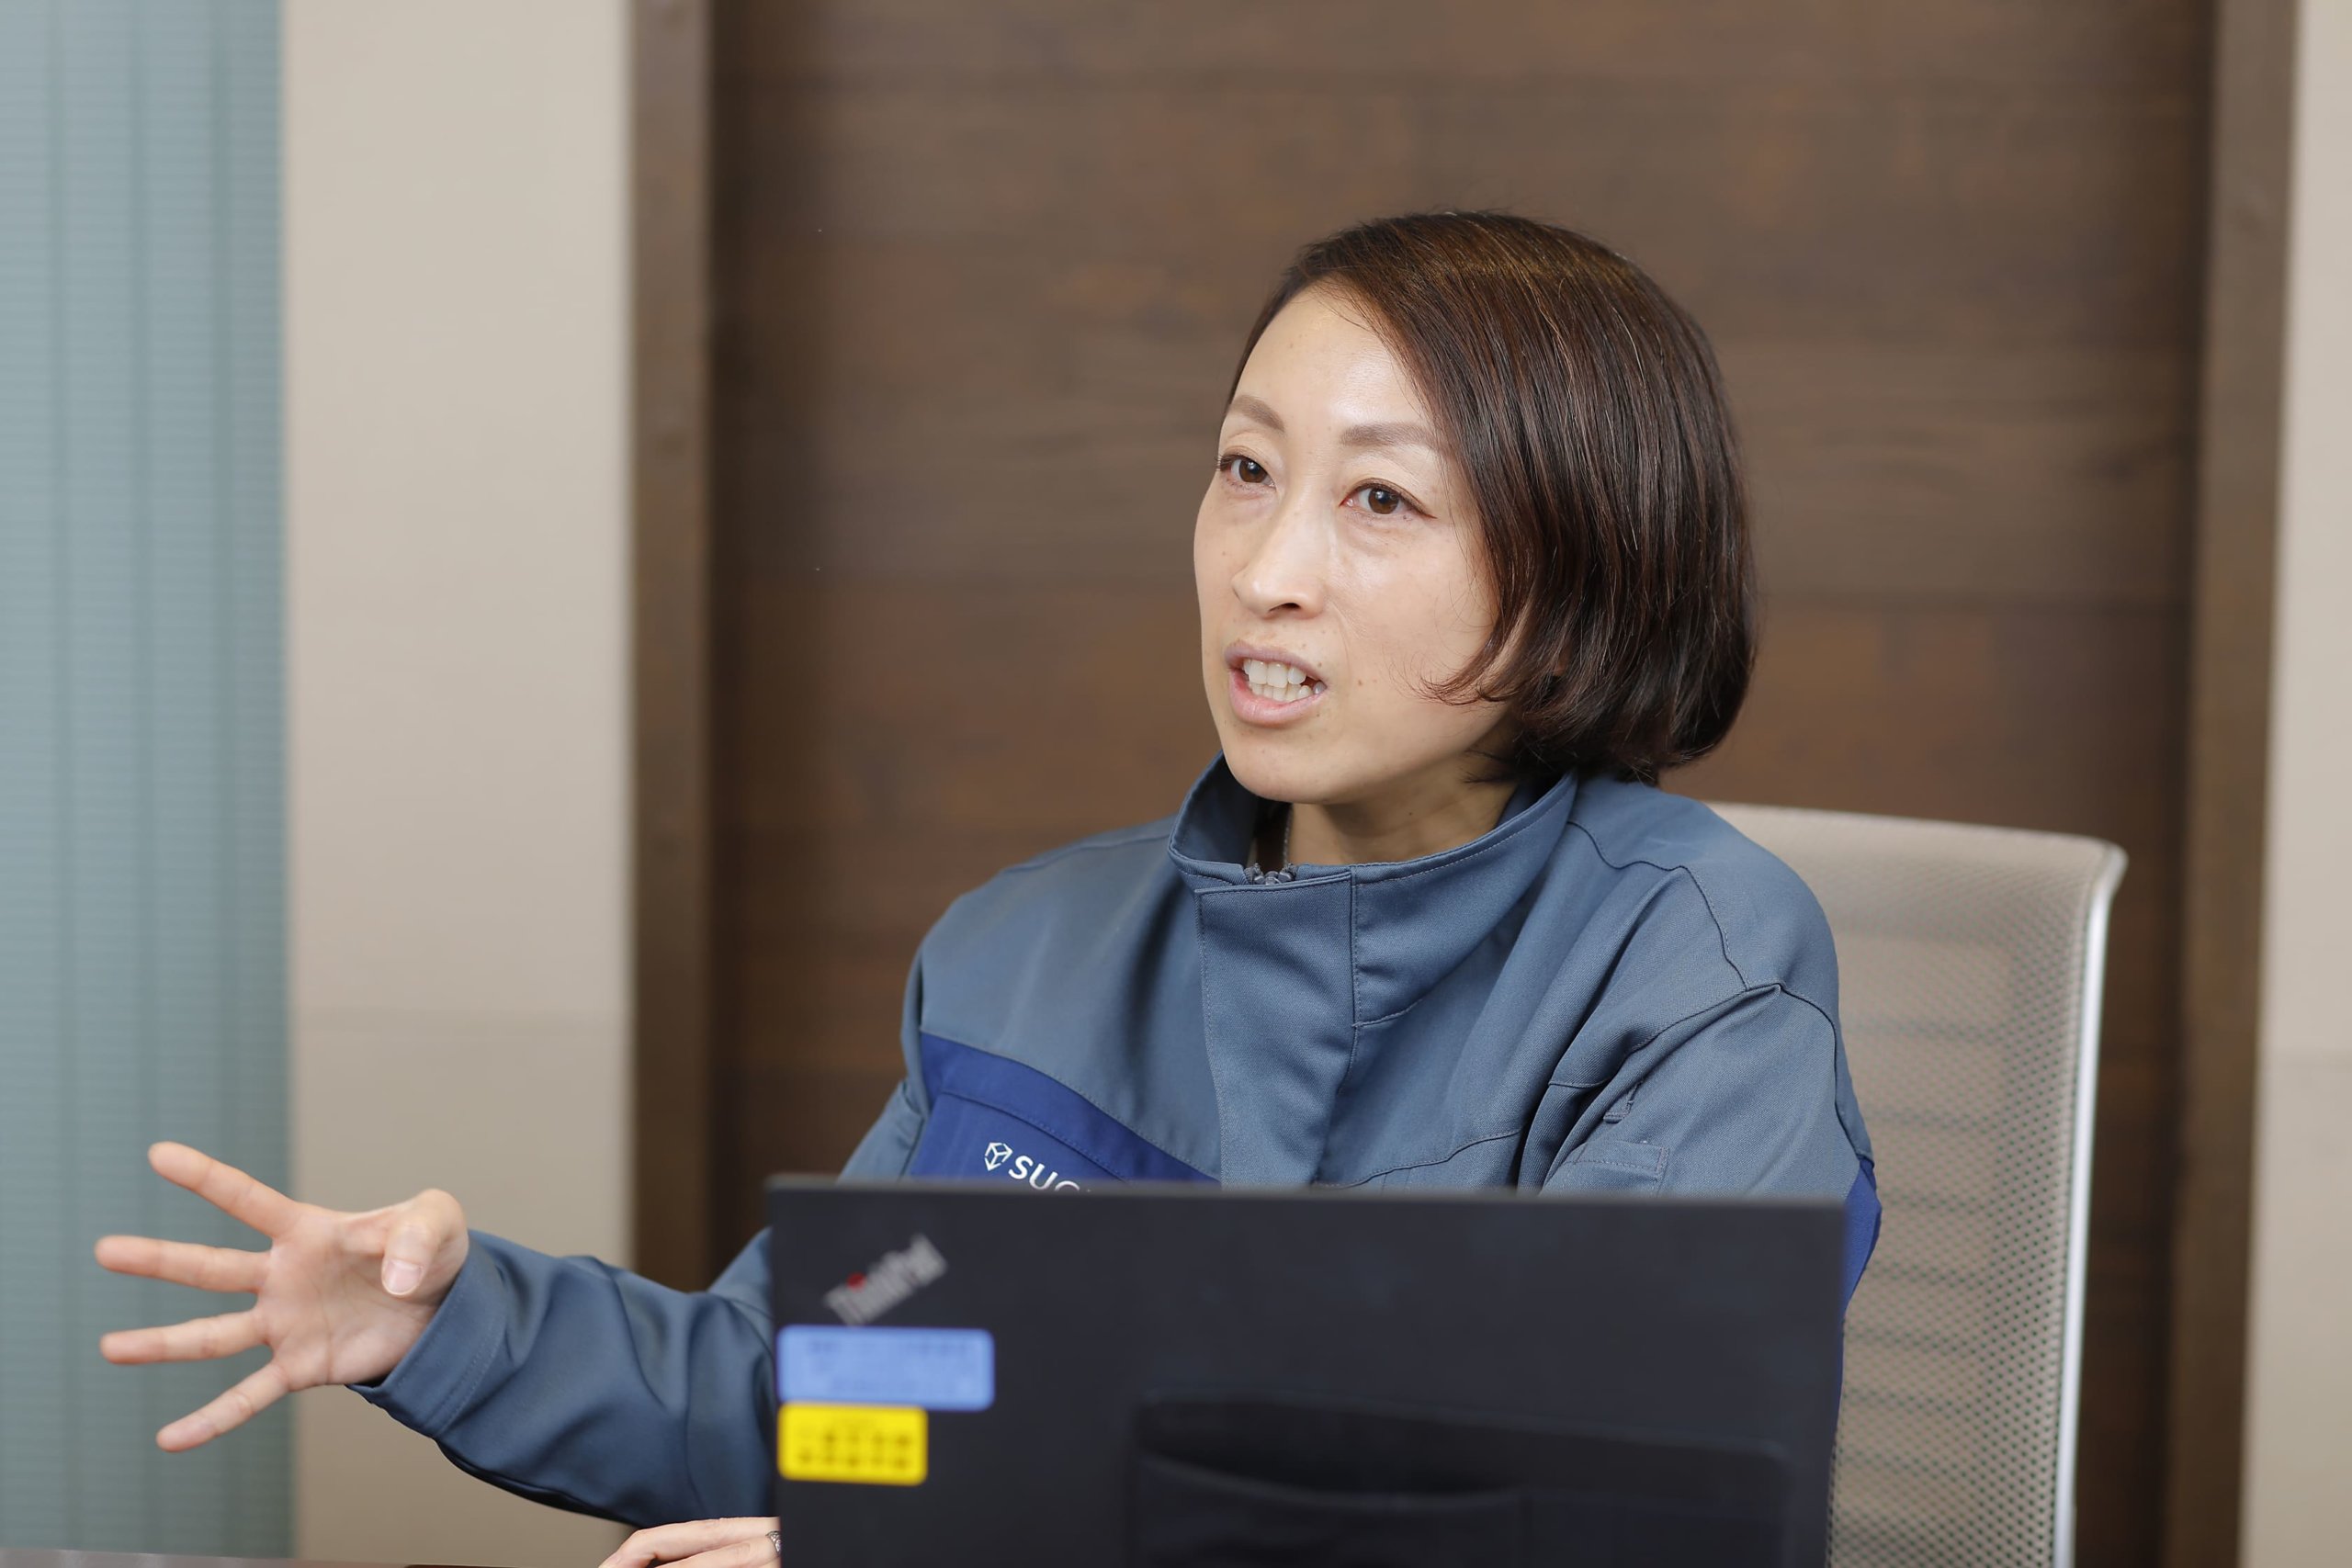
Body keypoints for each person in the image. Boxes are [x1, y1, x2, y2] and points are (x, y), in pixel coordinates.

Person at [95, 212, 1877, 1564]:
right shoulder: (1027, 955)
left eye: (1381, 503)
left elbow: (1575, 1520)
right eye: (1245, 469)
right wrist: (445, 1321)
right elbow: (831, 1409)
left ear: (1581, 575)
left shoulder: (1697, 980)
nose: (1265, 568)